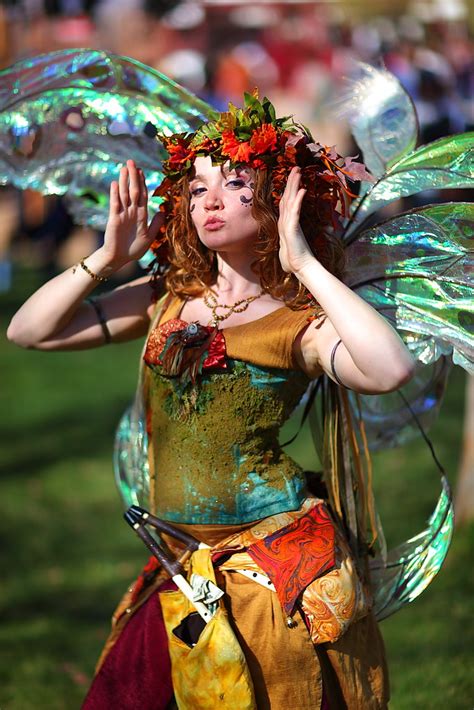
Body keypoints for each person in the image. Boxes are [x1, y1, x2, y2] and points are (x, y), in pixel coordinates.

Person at [8, 94, 415, 709]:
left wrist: (303, 263)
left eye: (232, 182)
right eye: (196, 190)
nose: (211, 202)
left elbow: (389, 368)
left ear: (281, 198)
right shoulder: (166, 295)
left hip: (268, 576)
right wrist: (105, 258)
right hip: (175, 559)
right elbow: (29, 331)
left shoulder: (294, 323)